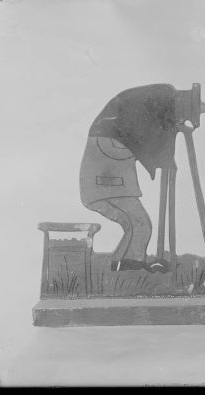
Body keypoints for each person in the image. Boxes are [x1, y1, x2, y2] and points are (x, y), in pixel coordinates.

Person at [79, 84, 177, 272]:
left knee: (137, 225)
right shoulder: (110, 141)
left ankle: (124, 265)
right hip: (104, 185)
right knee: (140, 225)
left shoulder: (109, 133)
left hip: (101, 185)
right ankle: (129, 269)